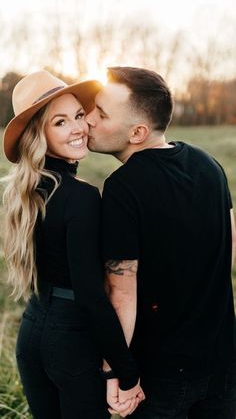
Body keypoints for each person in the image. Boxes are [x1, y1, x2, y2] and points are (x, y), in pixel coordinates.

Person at [86, 66, 236, 419]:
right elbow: (229, 247)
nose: (89, 119)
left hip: (163, 375)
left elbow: (120, 291)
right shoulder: (208, 163)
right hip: (224, 361)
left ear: (137, 132)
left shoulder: (124, 187)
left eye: (102, 114)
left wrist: (116, 372)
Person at [1, 70, 145, 419]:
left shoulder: (29, 189)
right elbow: (92, 297)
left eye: (79, 116)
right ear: (40, 135)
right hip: (71, 340)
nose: (78, 128)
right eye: (60, 122)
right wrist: (126, 374)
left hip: (32, 331)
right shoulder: (80, 197)